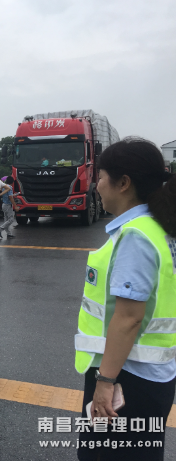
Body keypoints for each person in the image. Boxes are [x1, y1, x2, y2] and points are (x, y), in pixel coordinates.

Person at [74, 138, 176, 461]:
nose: (97, 185)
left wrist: (105, 381)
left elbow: (129, 317)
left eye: (101, 177)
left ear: (124, 183)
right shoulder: (159, 228)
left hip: (127, 378)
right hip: (151, 376)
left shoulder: (136, 235)